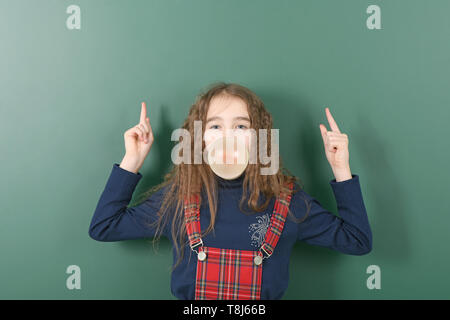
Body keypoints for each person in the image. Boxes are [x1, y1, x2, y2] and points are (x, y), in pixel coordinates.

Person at [88, 82, 372, 300]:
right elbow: (104, 227)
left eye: (241, 126)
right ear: (199, 137)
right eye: (215, 125)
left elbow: (357, 241)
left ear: (258, 137)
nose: (227, 136)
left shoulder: (288, 200)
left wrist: (340, 168)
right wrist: (132, 161)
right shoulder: (178, 198)